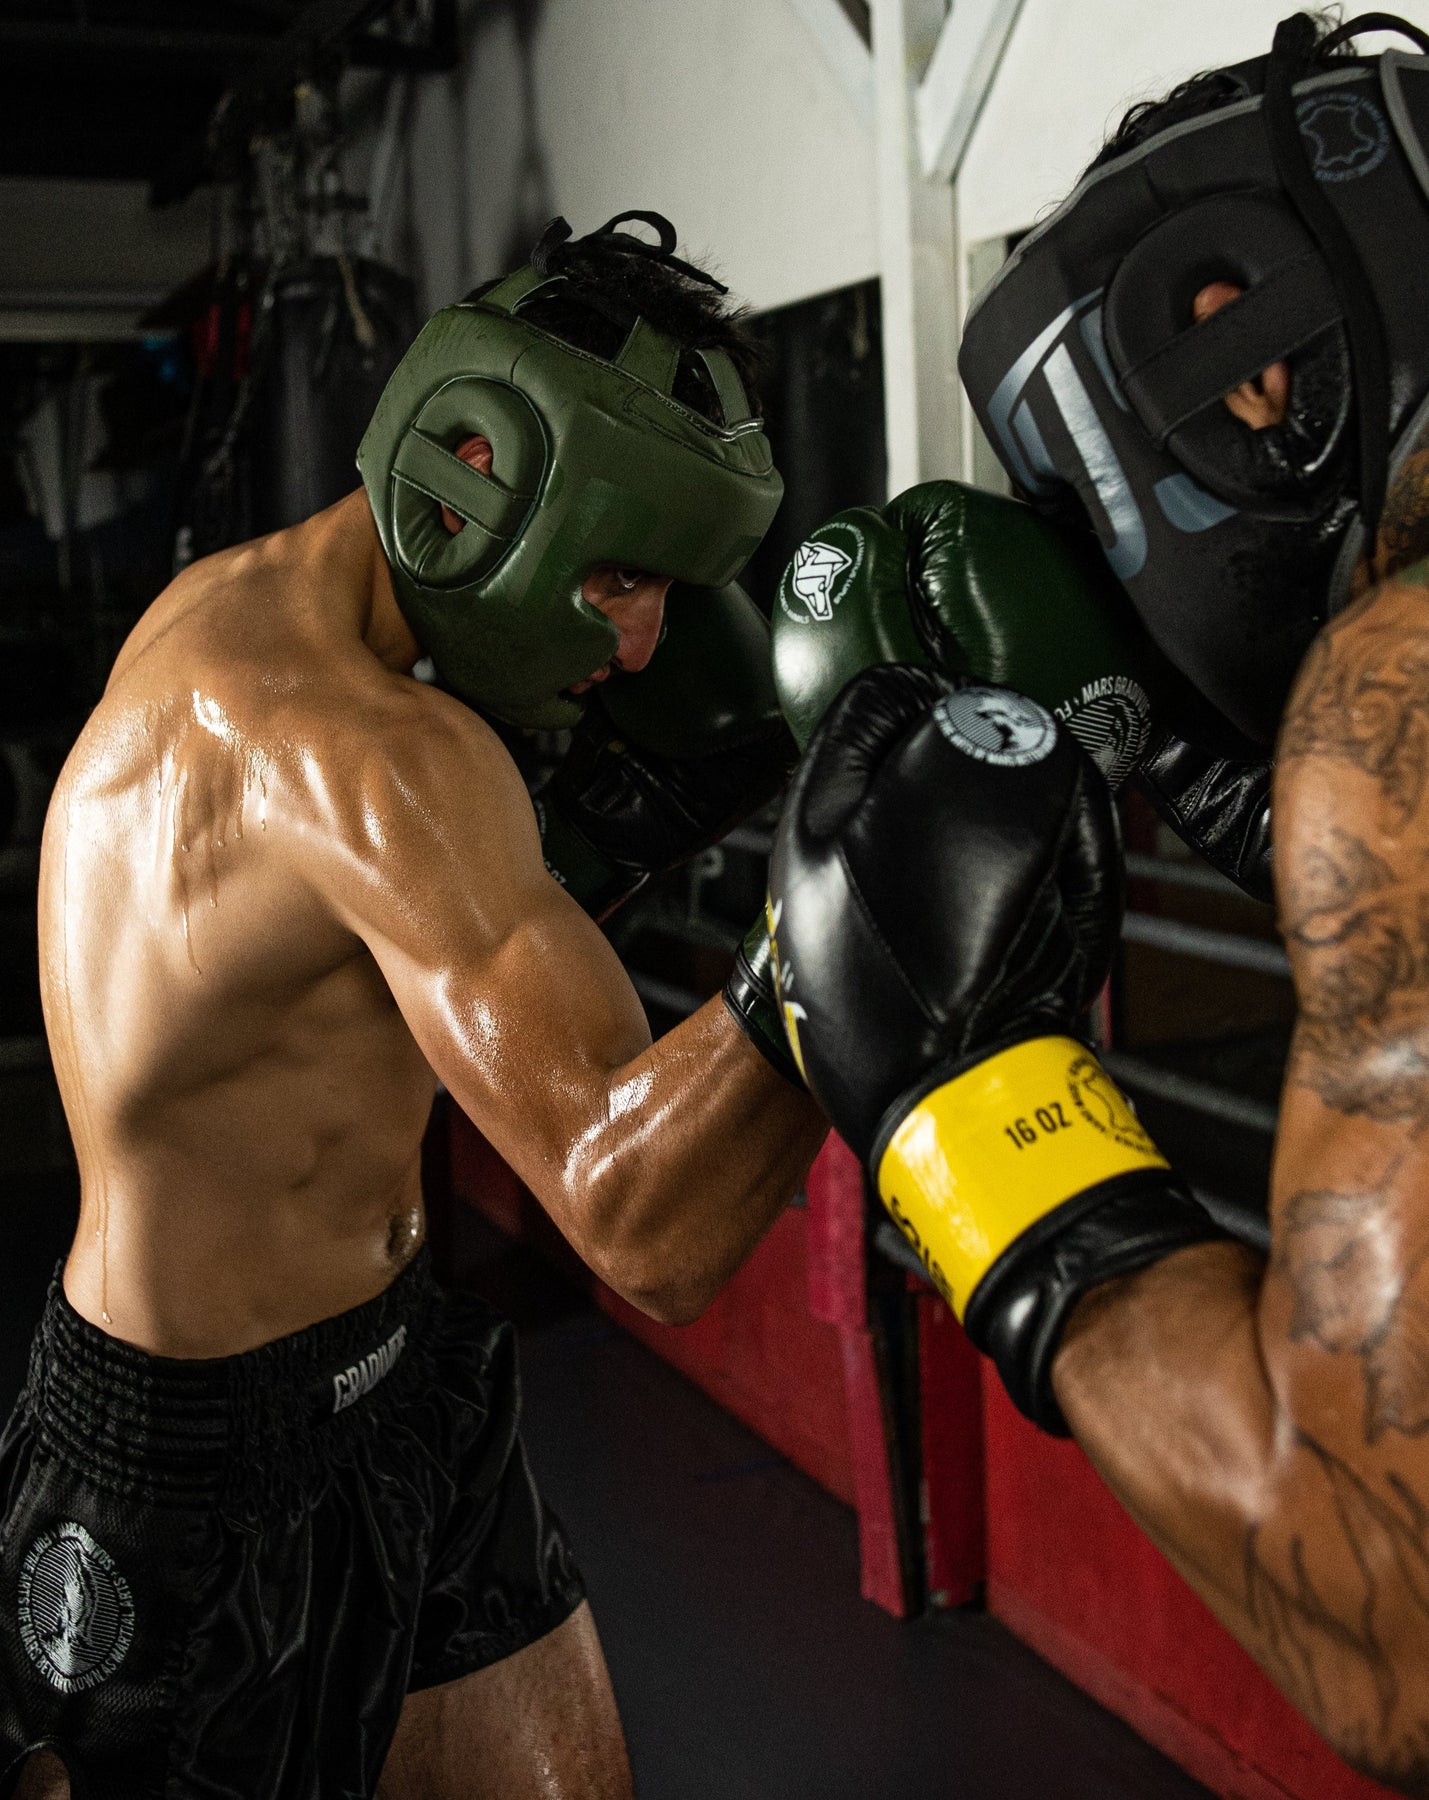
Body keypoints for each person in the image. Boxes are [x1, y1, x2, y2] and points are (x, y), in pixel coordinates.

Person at [0, 213, 827, 1800]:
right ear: (472, 467)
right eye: (622, 575)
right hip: (182, 1483)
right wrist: (849, 922)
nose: (643, 641)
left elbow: (338, 981)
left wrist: (595, 846)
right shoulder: (371, 751)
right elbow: (649, 1230)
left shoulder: (239, 607)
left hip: (401, 1383)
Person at [764, 13, 1429, 1795]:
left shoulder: (1403, 690)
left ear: (1239, 349)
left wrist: (966, 1107)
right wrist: (1247, 800)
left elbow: (1397, 1615)